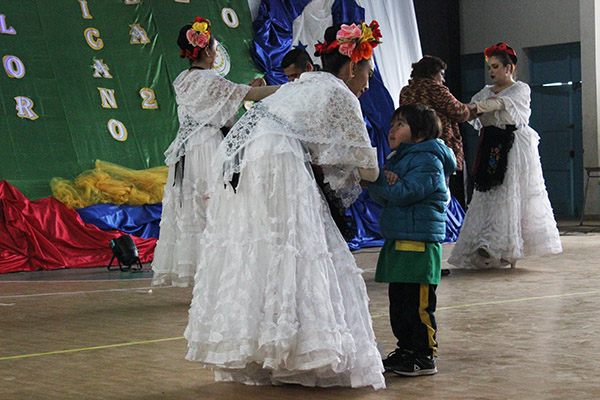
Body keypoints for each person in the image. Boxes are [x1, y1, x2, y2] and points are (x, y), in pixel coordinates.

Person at [184, 21, 386, 389]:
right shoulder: (340, 93)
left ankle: (269, 349)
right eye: (368, 73)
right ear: (353, 67)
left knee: (262, 250)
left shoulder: (307, 82)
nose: (368, 84)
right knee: (298, 247)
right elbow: (369, 170)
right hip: (275, 157)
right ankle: (300, 349)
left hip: (241, 155)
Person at [151, 17, 279, 287]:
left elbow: (227, 98)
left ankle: (200, 270)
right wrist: (287, 88)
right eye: (213, 48)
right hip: (209, 147)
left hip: (188, 150)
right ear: (207, 51)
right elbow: (246, 97)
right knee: (217, 206)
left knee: (193, 207)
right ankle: (218, 269)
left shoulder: (183, 79)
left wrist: (246, 90)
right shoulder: (212, 80)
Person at [448, 43, 562, 269]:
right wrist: (456, 110)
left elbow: (497, 105)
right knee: (488, 192)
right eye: (490, 67)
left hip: (514, 148)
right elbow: (475, 110)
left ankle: (506, 247)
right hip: (490, 145)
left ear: (509, 68)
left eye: (496, 66)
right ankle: (486, 242)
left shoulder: (521, 89)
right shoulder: (484, 90)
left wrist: (470, 107)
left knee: (511, 192)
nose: (491, 71)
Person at [366, 104, 456, 377]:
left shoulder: (428, 159)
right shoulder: (398, 158)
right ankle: (406, 350)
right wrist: (383, 180)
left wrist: (384, 182)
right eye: (392, 125)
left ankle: (424, 355)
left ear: (419, 134)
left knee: (418, 304)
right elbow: (382, 195)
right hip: (400, 238)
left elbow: (406, 191)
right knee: (400, 302)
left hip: (419, 243)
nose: (392, 130)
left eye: (400, 125)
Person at [400, 55, 474, 209]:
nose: (443, 80)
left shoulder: (406, 91)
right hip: (438, 146)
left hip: (412, 147)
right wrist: (475, 108)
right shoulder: (435, 89)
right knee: (440, 190)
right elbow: (460, 112)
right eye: (441, 75)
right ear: (432, 73)